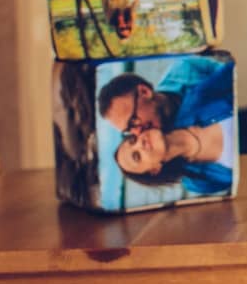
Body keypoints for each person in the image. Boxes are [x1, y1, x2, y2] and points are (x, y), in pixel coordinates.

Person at [98, 59, 236, 197]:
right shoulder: (198, 182)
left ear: (144, 92)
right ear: (154, 169)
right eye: (129, 131)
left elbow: (238, 73)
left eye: (133, 121)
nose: (139, 134)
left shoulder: (191, 82)